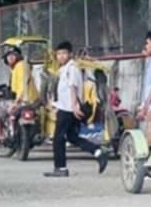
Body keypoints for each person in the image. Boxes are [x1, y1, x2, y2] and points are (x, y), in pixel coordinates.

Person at [44, 40, 109, 176]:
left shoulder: (72, 68)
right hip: (67, 107)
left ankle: (60, 168)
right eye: (59, 54)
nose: (61, 56)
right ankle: (98, 152)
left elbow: (73, 87)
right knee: (72, 137)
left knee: (58, 138)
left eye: (64, 53)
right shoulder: (63, 69)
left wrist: (74, 105)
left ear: (71, 54)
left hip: (68, 108)